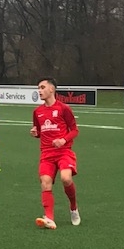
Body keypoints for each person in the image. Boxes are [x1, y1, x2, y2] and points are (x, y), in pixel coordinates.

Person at [30, 77, 81, 229]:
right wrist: (35, 133)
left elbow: (75, 130)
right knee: (45, 183)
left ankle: (73, 208)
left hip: (64, 152)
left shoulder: (64, 108)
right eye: (38, 88)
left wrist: (63, 140)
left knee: (66, 179)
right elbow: (39, 131)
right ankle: (49, 218)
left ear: (51, 89)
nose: (39, 91)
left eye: (42, 87)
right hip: (46, 154)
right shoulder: (37, 112)